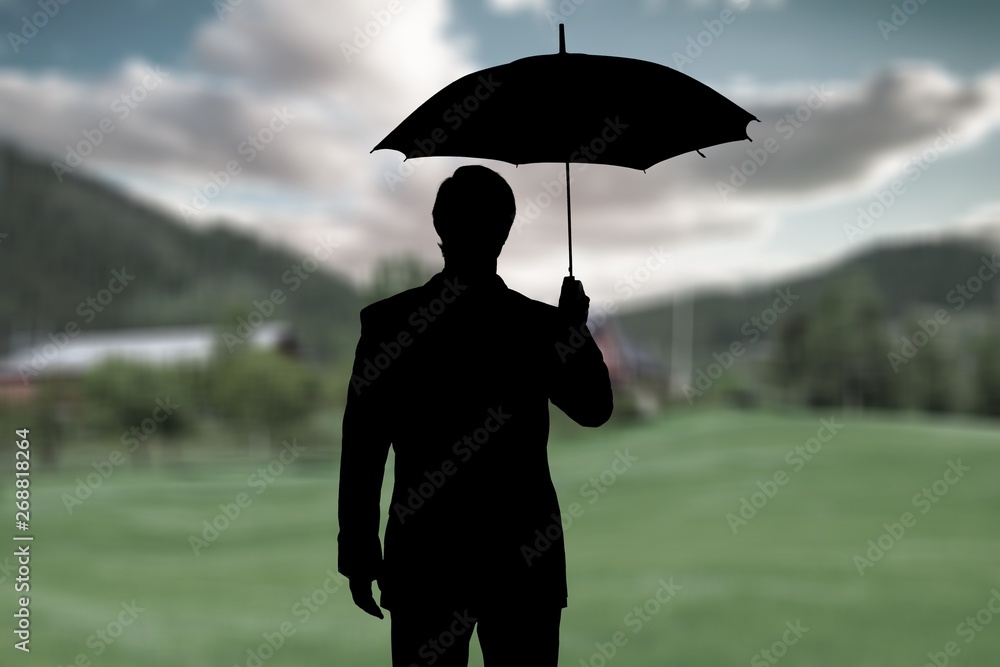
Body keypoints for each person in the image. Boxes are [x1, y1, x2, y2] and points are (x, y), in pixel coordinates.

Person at [338, 164, 613, 666]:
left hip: (425, 560)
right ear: (505, 229)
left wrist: (358, 551)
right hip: (523, 561)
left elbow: (363, 449)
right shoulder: (537, 327)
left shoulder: (386, 325)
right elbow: (594, 409)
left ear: (440, 225)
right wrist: (573, 331)